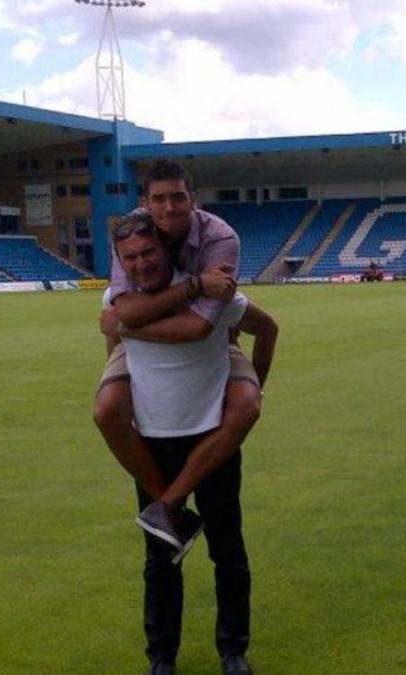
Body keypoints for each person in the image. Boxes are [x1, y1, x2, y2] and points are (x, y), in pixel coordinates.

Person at [105, 216, 277, 675]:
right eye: (131, 258)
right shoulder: (118, 299)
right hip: (154, 442)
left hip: (211, 438)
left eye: (149, 253)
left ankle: (233, 651)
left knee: (228, 551)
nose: (142, 264)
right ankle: (161, 658)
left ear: (164, 248)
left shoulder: (207, 294)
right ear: (121, 263)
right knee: (160, 560)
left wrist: (254, 385)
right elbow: (114, 340)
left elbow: (263, 325)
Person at [93, 158, 263, 556]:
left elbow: (200, 327)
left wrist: (126, 326)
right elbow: (123, 311)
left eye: (177, 198)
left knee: (245, 407)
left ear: (193, 200)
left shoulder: (220, 238)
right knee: (106, 410)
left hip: (209, 334)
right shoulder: (134, 232)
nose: (168, 208)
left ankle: (167, 505)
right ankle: (169, 505)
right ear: (146, 204)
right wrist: (124, 333)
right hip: (137, 333)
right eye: (159, 199)